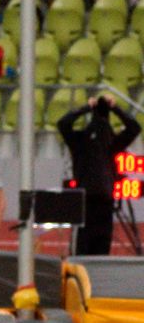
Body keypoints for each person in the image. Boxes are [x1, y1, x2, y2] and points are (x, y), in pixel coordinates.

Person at [57, 95, 141, 255]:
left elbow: (63, 124)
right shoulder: (112, 143)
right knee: (100, 248)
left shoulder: (80, 141)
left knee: (85, 247)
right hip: (102, 199)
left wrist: (86, 108)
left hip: (89, 200)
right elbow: (134, 128)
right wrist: (115, 108)